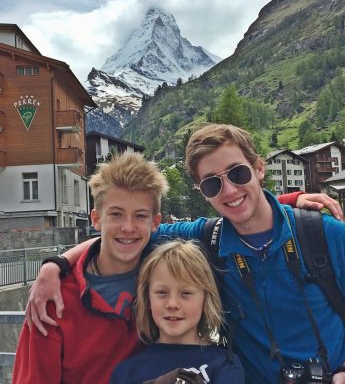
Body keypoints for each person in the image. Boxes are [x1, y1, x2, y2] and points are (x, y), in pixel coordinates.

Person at [25, 125, 345, 382]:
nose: (230, 191)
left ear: (259, 168)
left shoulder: (323, 234)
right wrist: (56, 265)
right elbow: (128, 234)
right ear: (202, 193)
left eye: (238, 174)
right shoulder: (208, 238)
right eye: (212, 185)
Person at [12, 152, 168, 384]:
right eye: (116, 214)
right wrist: (55, 265)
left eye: (140, 216)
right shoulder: (54, 299)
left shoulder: (167, 283)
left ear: (155, 223)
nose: (128, 227)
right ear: (96, 219)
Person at [109, 240, 245, 384]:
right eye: (162, 292)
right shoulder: (127, 371)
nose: (172, 304)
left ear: (205, 300)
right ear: (147, 299)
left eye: (186, 293)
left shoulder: (224, 366)